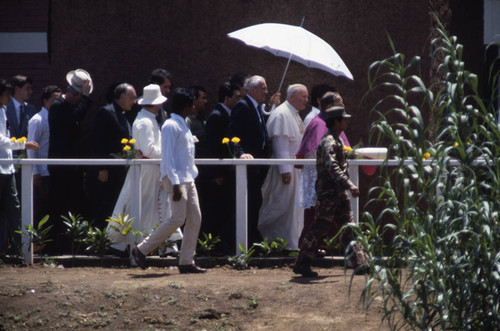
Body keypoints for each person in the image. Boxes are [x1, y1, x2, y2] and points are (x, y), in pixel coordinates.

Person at [132, 88, 205, 273]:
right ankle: (141, 249)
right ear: (187, 106)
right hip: (177, 179)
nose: (194, 107)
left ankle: (186, 261)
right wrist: (175, 182)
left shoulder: (181, 124)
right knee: (177, 218)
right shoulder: (171, 125)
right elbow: (168, 158)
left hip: (187, 178)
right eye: (192, 104)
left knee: (194, 218)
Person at [108, 84, 182, 255]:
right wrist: (170, 152)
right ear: (156, 104)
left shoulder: (147, 119)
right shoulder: (144, 121)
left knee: (154, 206)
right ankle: (123, 244)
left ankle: (160, 245)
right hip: (147, 169)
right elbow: (149, 150)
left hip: (151, 169)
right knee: (145, 205)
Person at [293, 106, 367, 277]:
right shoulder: (329, 142)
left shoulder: (336, 140)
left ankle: (360, 262)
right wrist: (350, 184)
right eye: (344, 119)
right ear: (336, 122)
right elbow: (332, 166)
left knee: (349, 227)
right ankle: (302, 263)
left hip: (338, 193)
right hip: (329, 194)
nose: (347, 122)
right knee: (319, 227)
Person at [48, 69, 93, 253]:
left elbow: (80, 112)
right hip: (61, 168)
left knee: (80, 206)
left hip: (73, 168)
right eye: (80, 97)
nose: (81, 101)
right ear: (72, 94)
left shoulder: (71, 106)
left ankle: (80, 244)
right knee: (57, 206)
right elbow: (75, 118)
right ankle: (51, 246)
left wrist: (86, 95)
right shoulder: (59, 107)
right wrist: (87, 97)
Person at [258, 84, 308, 250]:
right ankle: (276, 241)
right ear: (292, 96)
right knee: (282, 206)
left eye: (307, 97)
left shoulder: (293, 113)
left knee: (293, 209)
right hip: (286, 171)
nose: (306, 100)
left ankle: (292, 243)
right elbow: (281, 146)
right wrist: (285, 171)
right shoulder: (282, 114)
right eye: (303, 96)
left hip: (295, 168)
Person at [296, 92, 346, 249]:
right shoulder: (319, 124)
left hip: (330, 180)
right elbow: (326, 156)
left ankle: (314, 250)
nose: (343, 106)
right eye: (340, 102)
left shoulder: (330, 123)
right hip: (321, 179)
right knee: (316, 219)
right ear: (330, 106)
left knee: (332, 219)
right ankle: (305, 254)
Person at [227, 75, 270, 244]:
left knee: (255, 203)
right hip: (248, 167)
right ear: (253, 89)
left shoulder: (256, 107)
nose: (266, 91)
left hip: (257, 167)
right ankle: (243, 242)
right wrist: (240, 154)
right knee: (249, 204)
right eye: (264, 88)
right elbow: (232, 134)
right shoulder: (243, 106)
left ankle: (251, 239)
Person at [88, 83, 137, 228]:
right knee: (105, 206)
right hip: (107, 171)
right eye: (132, 97)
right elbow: (97, 141)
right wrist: (101, 167)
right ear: (122, 96)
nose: (134, 101)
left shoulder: (123, 114)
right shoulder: (106, 112)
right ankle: (100, 241)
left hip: (119, 171)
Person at [0, 79, 39, 256]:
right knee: (8, 208)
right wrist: (22, 145)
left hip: (7, 167)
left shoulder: (2, 110)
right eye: (7, 94)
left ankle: (19, 247)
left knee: (13, 207)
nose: (9, 98)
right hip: (3, 167)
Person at [202, 82, 241, 253]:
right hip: (218, 172)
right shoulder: (216, 115)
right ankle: (210, 246)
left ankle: (220, 244)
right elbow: (211, 146)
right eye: (236, 97)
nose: (239, 100)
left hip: (226, 171)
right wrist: (216, 172)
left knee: (225, 209)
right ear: (227, 98)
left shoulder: (229, 114)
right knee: (215, 210)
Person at [27, 85, 61, 224]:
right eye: (54, 100)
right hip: (42, 172)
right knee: (41, 208)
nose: (56, 104)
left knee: (52, 208)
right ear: (45, 101)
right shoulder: (38, 120)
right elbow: (31, 146)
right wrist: (35, 172)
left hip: (54, 170)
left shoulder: (57, 118)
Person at [6, 75, 37, 197]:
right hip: (7, 160)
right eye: (27, 88)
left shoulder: (31, 109)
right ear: (17, 89)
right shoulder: (4, 108)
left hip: (24, 161)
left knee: (24, 194)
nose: (31, 92)